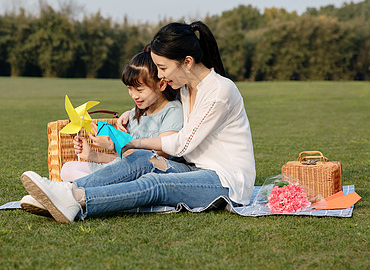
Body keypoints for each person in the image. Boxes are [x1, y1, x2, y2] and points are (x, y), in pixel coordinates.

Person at [20, 21, 256, 223]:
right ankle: (66, 191)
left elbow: (183, 144)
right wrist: (129, 112)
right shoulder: (186, 87)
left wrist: (134, 142)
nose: (160, 75)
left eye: (162, 67)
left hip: (227, 181)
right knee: (142, 160)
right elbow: (161, 101)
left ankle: (78, 200)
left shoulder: (220, 92)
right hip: (195, 170)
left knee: (156, 184)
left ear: (187, 61)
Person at [20, 46, 184, 214]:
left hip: (145, 176)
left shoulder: (173, 111)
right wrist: (94, 156)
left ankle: (66, 195)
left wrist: (115, 145)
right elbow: (125, 161)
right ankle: (67, 195)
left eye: (139, 89)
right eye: (129, 89)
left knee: (127, 180)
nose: (134, 95)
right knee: (68, 168)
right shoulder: (135, 113)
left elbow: (154, 159)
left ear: (162, 84)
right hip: (120, 171)